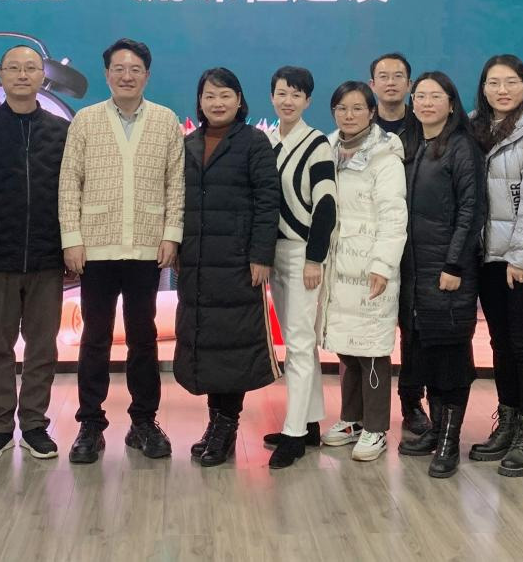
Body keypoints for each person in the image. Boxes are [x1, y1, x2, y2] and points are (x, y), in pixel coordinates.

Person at [59, 38, 185, 465]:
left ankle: (144, 421)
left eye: (135, 69)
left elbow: (176, 183)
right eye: (118, 68)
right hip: (95, 247)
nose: (126, 76)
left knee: (143, 338)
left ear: (146, 75)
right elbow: (69, 183)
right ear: (106, 74)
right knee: (94, 337)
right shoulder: (86, 120)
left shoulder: (165, 120)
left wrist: (171, 235)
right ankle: (90, 424)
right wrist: (72, 239)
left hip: (147, 246)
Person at [0, 47, 68, 463]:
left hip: (47, 259)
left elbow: (72, 195)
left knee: (43, 348)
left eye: (31, 68)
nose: (22, 75)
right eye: (14, 68)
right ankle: (0, 427)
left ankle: (35, 425)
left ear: (43, 76)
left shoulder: (61, 131)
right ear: (1, 75)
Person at [177, 68, 281, 467]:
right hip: (198, 261)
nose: (217, 102)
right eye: (209, 95)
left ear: (239, 100)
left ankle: (226, 426)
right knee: (206, 343)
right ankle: (215, 423)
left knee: (232, 345)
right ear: (199, 102)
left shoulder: (254, 142)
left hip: (238, 262)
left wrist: (261, 255)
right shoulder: (189, 143)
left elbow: (268, 201)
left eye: (225, 95)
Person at [467, 54, 523, 477]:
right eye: (493, 82)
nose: (501, 90)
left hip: (522, 261)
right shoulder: (474, 127)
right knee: (500, 344)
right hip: (487, 256)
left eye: (510, 82)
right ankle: (506, 424)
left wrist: (521, 257)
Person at [396, 73, 484, 478]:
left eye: (436, 96)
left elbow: (471, 209)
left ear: (452, 103)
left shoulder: (462, 146)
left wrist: (454, 264)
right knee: (424, 354)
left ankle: (450, 442)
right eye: (420, 96)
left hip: (447, 272)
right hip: (414, 274)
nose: (426, 102)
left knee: (450, 357)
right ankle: (434, 431)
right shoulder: (413, 145)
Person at [319, 81, 406, 463]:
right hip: (337, 267)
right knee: (347, 347)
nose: (349, 115)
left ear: (372, 112)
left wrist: (383, 265)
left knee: (372, 349)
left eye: (357, 108)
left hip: (371, 267)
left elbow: (394, 215)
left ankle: (376, 427)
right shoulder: (327, 149)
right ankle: (352, 419)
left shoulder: (385, 155)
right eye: (342, 108)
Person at [262, 66, 337, 469]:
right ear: (271, 97)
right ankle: (307, 424)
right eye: (281, 93)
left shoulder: (317, 143)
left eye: (296, 94)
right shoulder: (269, 141)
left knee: (299, 342)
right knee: (296, 341)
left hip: (301, 253)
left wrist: (314, 258)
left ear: (307, 101)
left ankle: (293, 433)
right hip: (273, 252)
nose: (287, 100)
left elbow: (326, 204)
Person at [369, 52, 429, 441]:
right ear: (372, 84)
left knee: (413, 326)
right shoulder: (359, 126)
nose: (390, 82)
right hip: (369, 243)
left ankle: (412, 403)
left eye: (398, 76)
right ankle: (364, 410)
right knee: (368, 324)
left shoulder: (426, 127)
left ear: (409, 84)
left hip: (417, 242)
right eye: (383, 76)